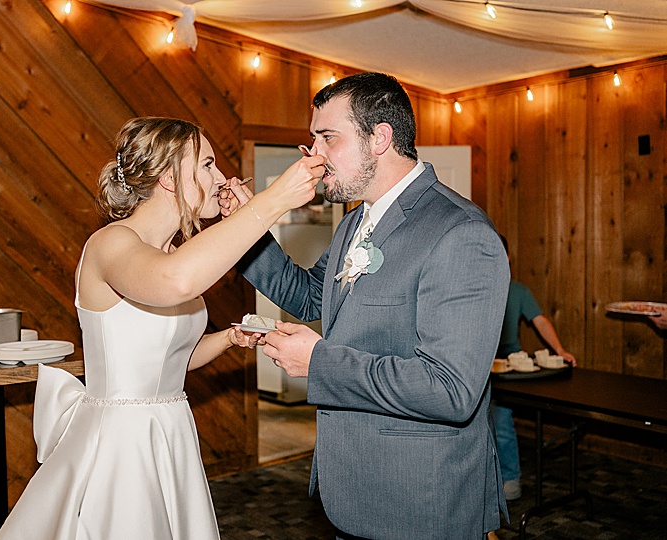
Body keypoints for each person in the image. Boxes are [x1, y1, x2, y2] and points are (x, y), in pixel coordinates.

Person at [0, 117, 323, 539]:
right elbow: (176, 282)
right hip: (122, 442)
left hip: (170, 429)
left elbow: (171, 361)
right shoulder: (111, 245)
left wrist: (227, 338)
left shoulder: (170, 251)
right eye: (207, 165)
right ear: (169, 178)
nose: (221, 178)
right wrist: (274, 200)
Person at [229, 72, 510, 539]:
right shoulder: (355, 222)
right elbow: (309, 296)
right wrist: (243, 227)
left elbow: (450, 390)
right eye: (313, 139)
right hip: (354, 490)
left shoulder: (461, 234)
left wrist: (319, 362)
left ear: (380, 137)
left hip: (420, 501)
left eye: (328, 138)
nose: (314, 156)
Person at [492, 234, 576, 501]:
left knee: (502, 423)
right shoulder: (474, 287)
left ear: (506, 258)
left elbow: (539, 320)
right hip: (478, 366)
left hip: (511, 368)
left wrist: (559, 350)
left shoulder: (518, 290)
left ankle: (510, 479)